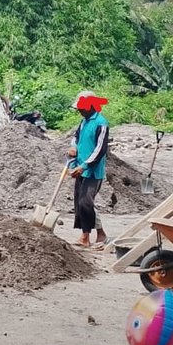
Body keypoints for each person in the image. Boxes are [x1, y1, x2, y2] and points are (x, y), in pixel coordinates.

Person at [68, 91, 110, 250]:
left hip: (93, 171)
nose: (79, 111)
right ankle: (86, 237)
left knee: (86, 202)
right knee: (81, 203)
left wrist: (84, 166)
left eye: (81, 108)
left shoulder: (101, 123)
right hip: (80, 168)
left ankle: (96, 235)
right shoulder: (83, 121)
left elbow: (100, 150)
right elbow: (76, 137)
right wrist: (73, 146)